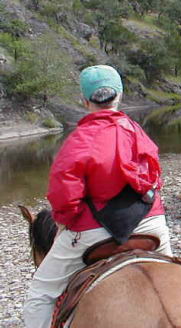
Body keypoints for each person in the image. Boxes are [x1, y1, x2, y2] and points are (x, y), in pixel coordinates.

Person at [23, 65, 172, 328]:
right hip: (150, 224)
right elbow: (154, 177)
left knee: (41, 293)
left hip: (92, 232)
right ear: (120, 96)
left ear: (84, 100)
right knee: (173, 275)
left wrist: (64, 223)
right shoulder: (138, 131)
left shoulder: (78, 140)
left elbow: (64, 197)